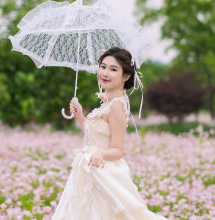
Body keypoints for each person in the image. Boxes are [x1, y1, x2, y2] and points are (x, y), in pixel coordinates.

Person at [52, 47, 167, 219]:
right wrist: (80, 117)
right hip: (89, 169)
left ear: (125, 76)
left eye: (113, 69)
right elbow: (94, 138)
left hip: (104, 173)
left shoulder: (116, 106)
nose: (105, 73)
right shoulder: (106, 104)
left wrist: (99, 154)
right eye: (103, 67)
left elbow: (117, 150)